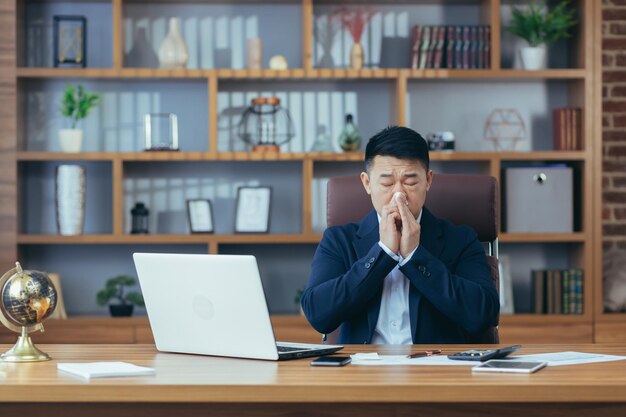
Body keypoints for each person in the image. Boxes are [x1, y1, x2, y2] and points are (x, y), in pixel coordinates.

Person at [301, 126, 499, 344]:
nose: (398, 195)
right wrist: (382, 253)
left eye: (411, 182)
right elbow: (319, 315)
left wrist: (415, 256)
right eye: (386, 183)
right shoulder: (338, 240)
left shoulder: (460, 239)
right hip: (361, 370)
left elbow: (483, 315)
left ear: (428, 181)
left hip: (435, 369)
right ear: (367, 183)